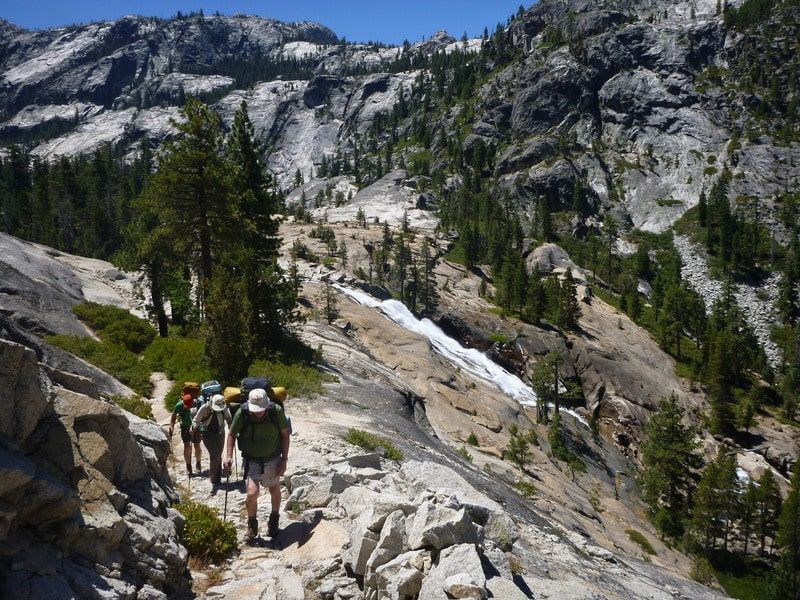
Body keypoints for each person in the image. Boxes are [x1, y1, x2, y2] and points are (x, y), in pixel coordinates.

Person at [223, 386, 289, 541]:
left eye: (261, 409)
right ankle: (252, 525)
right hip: (251, 459)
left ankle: (274, 520)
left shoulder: (276, 411)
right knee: (252, 493)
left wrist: (284, 459)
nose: (258, 412)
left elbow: (285, 435)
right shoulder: (243, 412)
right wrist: (228, 456)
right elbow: (232, 434)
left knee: (274, 488)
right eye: (255, 409)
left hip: (272, 457)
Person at [191, 393, 232, 495]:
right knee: (215, 455)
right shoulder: (204, 408)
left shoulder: (223, 408)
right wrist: (194, 427)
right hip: (207, 434)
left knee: (218, 455)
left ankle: (216, 479)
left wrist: (232, 428)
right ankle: (213, 479)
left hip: (220, 433)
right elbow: (196, 419)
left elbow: (228, 418)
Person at [169, 394, 203, 476]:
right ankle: (188, 466)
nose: (187, 407)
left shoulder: (198, 403)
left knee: (197, 445)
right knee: (187, 446)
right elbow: (174, 414)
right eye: (186, 405)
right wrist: (172, 426)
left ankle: (198, 462)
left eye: (189, 405)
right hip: (185, 426)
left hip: (196, 426)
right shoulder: (179, 405)